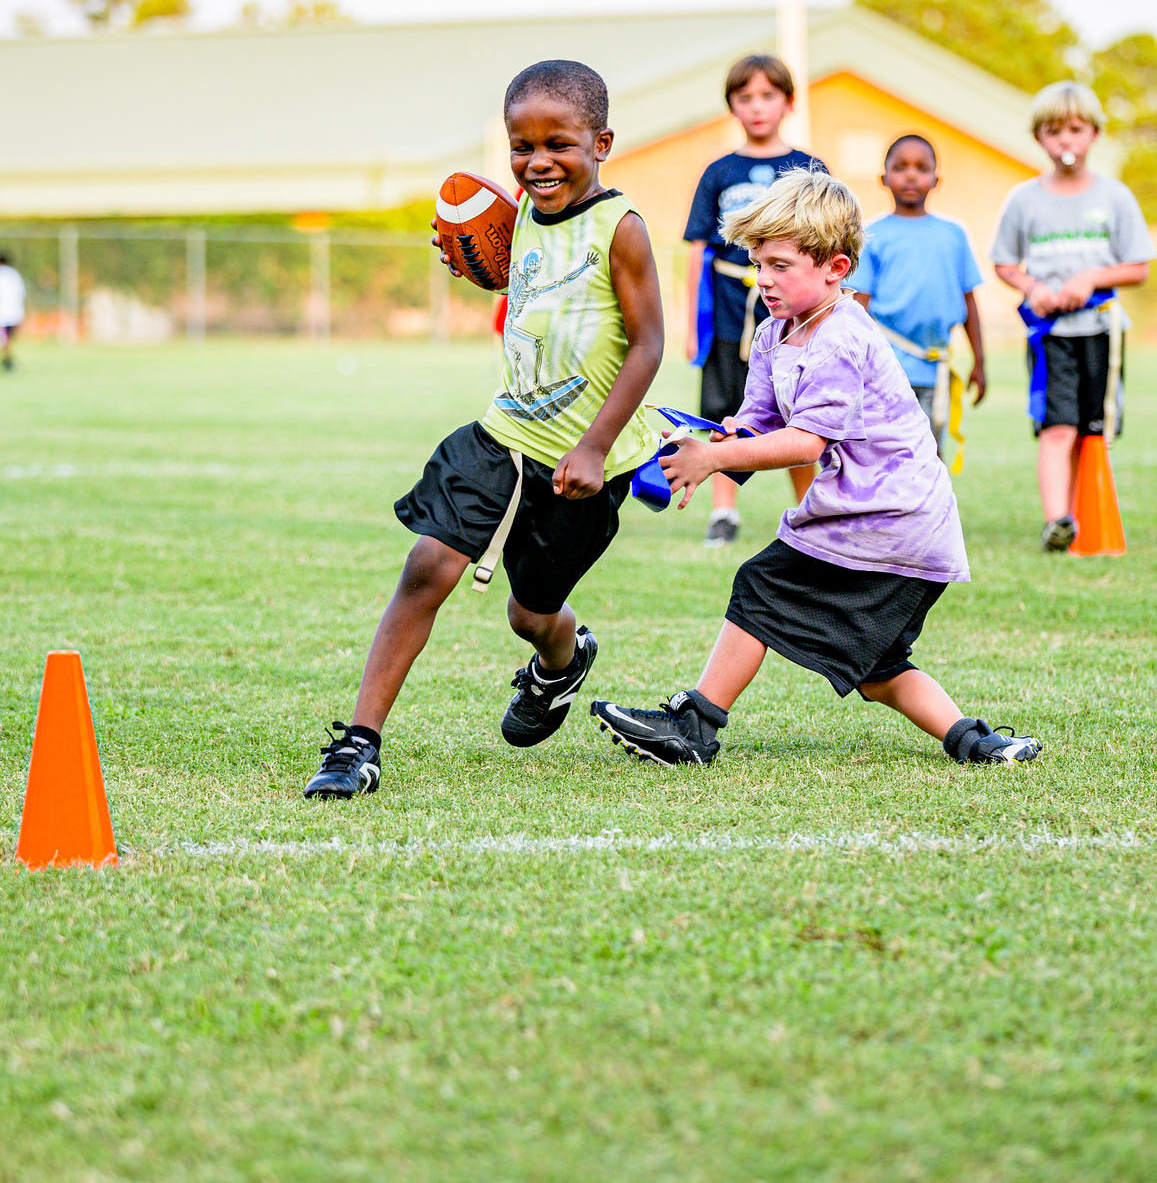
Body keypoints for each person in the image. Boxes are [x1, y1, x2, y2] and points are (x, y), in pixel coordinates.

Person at [592, 170, 1041, 770]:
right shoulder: (778, 330)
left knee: (759, 584)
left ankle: (694, 728)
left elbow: (804, 443)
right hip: (881, 516)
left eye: (781, 265)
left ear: (835, 267)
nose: (764, 279)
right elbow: (755, 422)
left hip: (892, 516)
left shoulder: (841, 338)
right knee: (879, 670)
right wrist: (691, 440)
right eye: (758, 263)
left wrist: (717, 457)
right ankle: (978, 743)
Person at [305, 59, 664, 799]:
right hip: (501, 436)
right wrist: (489, 267)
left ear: (602, 142)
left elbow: (648, 342)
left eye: (558, 144)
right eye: (520, 146)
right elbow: (532, 280)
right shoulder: (526, 212)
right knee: (426, 568)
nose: (537, 162)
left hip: (581, 460)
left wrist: (595, 444)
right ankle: (358, 744)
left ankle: (561, 661)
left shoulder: (620, 229)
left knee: (531, 612)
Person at [991, 82, 1152, 551]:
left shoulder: (1116, 197)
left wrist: (1093, 278)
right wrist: (1032, 288)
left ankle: (1085, 516)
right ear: (1039, 138)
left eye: (1076, 130)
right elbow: (1004, 263)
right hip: (1051, 336)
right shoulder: (1024, 199)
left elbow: (1138, 266)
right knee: (1056, 425)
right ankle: (1056, 521)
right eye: (1054, 131)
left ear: (1095, 134)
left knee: (1093, 428)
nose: (1066, 141)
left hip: (1102, 331)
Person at [683, 54, 826, 546]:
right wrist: (689, 323)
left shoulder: (809, 168)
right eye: (745, 98)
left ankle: (808, 512)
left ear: (788, 101)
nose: (757, 107)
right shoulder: (719, 171)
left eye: (768, 95)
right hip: (727, 309)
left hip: (793, 315)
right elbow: (698, 251)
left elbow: (828, 245)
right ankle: (724, 513)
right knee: (726, 408)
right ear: (732, 106)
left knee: (796, 410)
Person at [849, 135, 986, 463]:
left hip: (934, 368)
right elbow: (857, 306)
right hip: (884, 369)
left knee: (930, 454)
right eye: (901, 167)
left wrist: (980, 362)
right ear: (884, 178)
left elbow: (969, 302)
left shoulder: (953, 235)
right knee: (885, 452)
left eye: (922, 168)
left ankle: (930, 514)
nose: (911, 176)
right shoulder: (870, 235)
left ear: (936, 179)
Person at [0, 252, 26, 372]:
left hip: (4, 313)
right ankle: (8, 361)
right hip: (13, 313)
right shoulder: (14, 274)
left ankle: (8, 362)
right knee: (7, 339)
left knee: (4, 339)